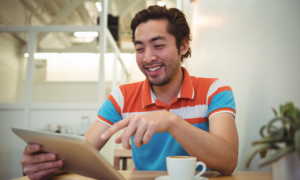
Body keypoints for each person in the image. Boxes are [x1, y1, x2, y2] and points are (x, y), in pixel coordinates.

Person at [21, 5, 238, 180]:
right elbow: (82, 153)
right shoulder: (122, 97)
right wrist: (45, 165)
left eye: (158, 45)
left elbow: (228, 162)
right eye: (140, 48)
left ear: (183, 46)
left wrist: (171, 121)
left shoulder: (214, 90)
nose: (148, 58)